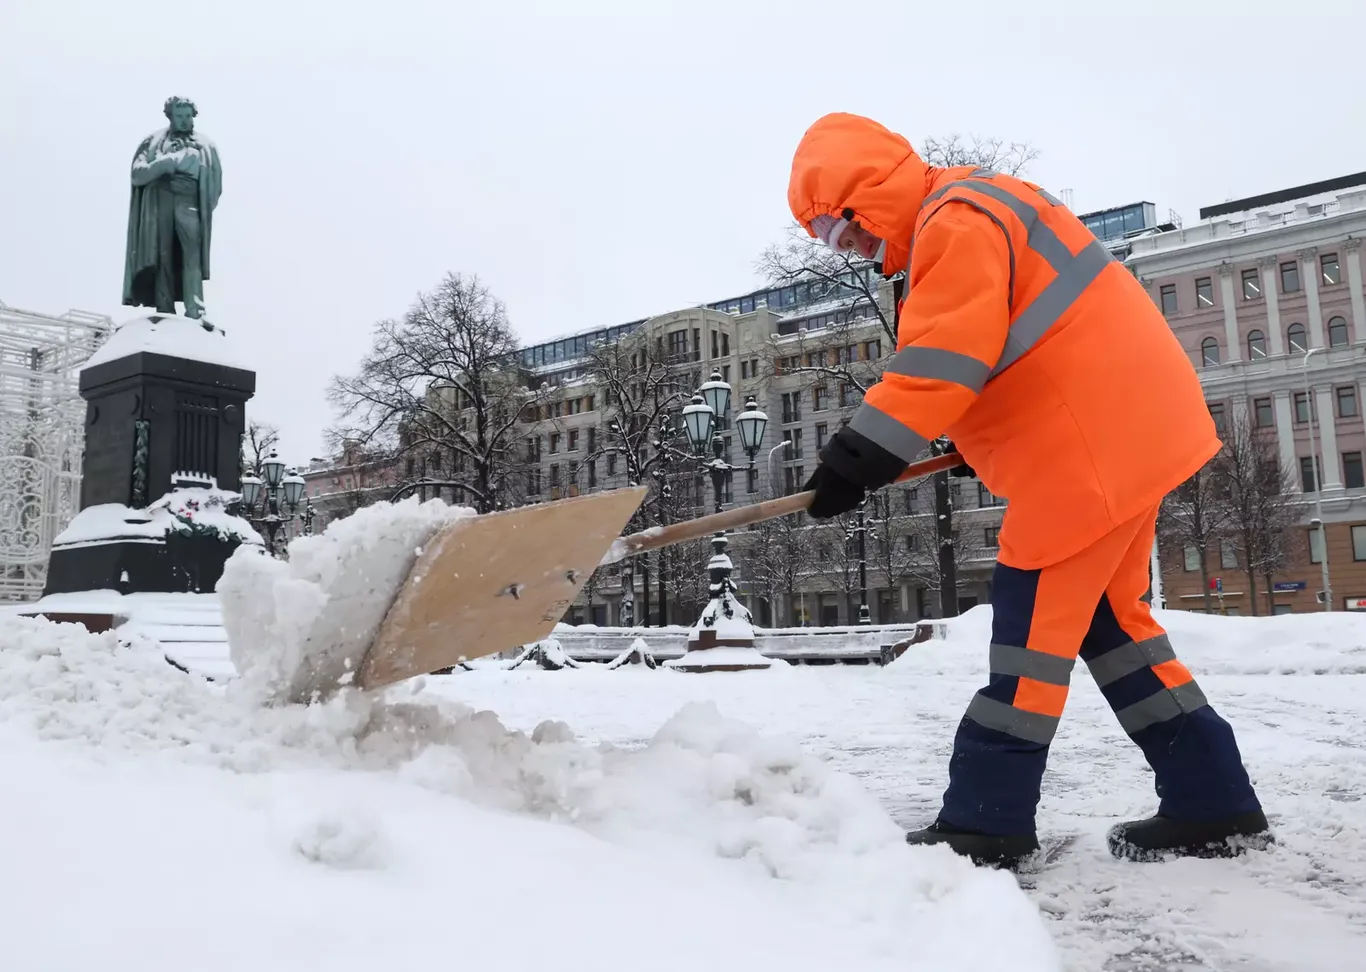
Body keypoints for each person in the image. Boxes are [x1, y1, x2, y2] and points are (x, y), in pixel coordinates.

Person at [787, 111, 1273, 868]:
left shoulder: (954, 220)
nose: (841, 246)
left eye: (836, 226)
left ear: (867, 196)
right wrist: (974, 440)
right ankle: (1213, 800)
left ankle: (988, 821)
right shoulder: (980, 202)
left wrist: (859, 454)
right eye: (824, 237)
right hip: (1126, 433)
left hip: (1086, 454)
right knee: (1112, 625)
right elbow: (1019, 349)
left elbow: (947, 354)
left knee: (1028, 639)